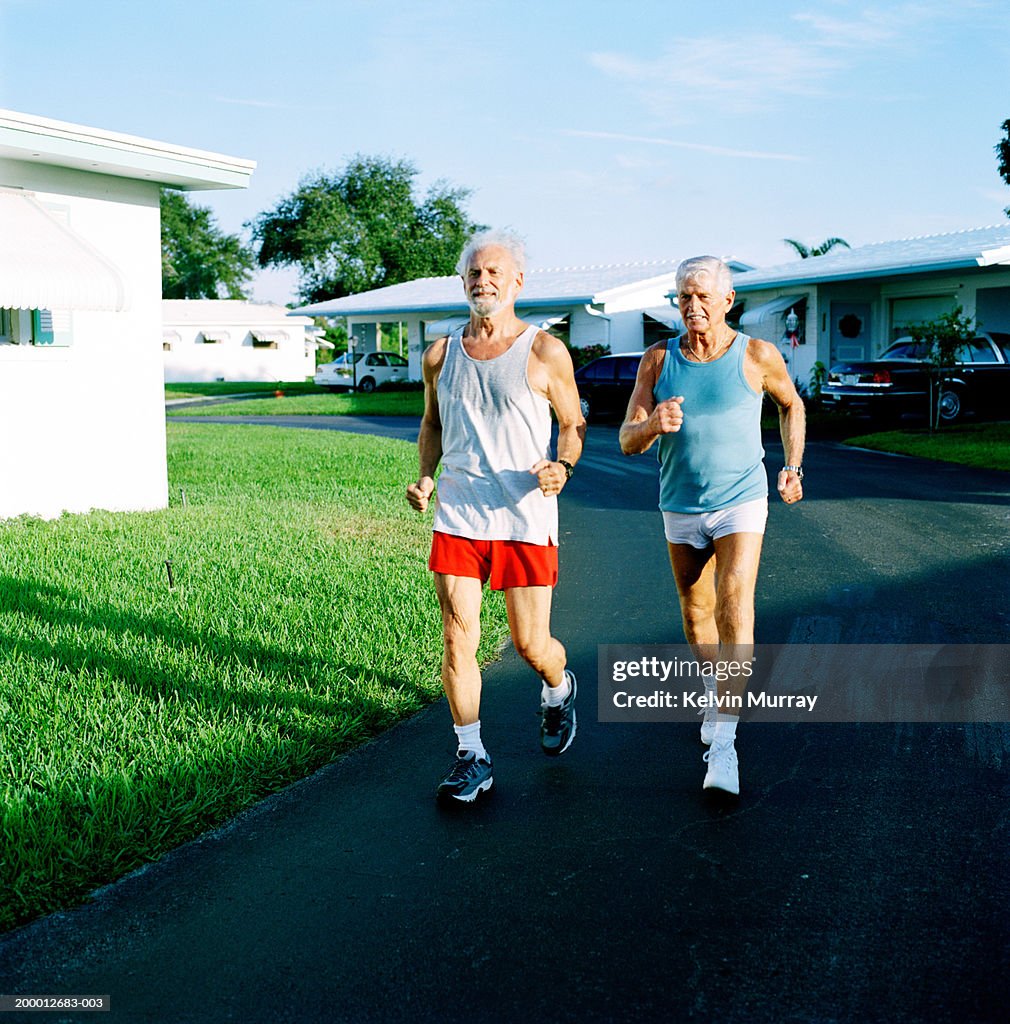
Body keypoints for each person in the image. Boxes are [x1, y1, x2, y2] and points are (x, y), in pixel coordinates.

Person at [406, 229, 585, 803]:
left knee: (531, 645)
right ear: (463, 283)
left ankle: (558, 690)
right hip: (458, 512)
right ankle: (471, 755)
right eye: (474, 274)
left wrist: (562, 466)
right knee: (458, 636)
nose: (483, 282)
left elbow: (573, 424)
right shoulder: (441, 354)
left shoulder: (544, 351)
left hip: (524, 516)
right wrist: (428, 477)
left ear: (517, 283)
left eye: (494, 273)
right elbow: (432, 424)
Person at [619, 255, 805, 796]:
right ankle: (713, 690)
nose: (692, 306)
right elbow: (628, 441)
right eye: (683, 297)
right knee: (697, 616)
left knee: (733, 603)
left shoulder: (757, 355)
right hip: (679, 503)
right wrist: (653, 422)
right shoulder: (657, 361)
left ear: (728, 301)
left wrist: (792, 466)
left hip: (740, 500)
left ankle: (724, 746)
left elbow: (791, 406)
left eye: (703, 296)